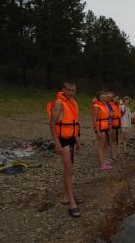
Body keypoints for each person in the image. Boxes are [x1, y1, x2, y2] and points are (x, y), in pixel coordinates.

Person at [48, 82, 81, 217]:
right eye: (68, 90)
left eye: (73, 90)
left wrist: (78, 141)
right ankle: (72, 203)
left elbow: (75, 122)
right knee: (69, 171)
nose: (71, 92)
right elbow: (52, 123)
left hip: (72, 138)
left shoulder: (73, 103)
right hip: (62, 139)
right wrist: (56, 143)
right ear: (63, 90)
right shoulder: (58, 103)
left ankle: (65, 196)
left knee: (68, 170)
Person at [92, 91, 111, 171]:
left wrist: (109, 126)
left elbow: (108, 117)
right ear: (99, 98)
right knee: (101, 146)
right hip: (100, 128)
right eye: (102, 97)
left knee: (105, 145)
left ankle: (104, 161)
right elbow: (94, 119)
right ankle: (102, 165)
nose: (104, 99)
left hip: (106, 127)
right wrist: (98, 131)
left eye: (105, 97)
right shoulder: (96, 106)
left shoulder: (105, 105)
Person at [109, 95, 122, 160]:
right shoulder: (110, 105)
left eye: (118, 99)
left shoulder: (119, 106)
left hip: (118, 124)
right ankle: (112, 155)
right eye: (116, 98)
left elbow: (121, 114)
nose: (117, 100)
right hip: (113, 124)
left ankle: (116, 153)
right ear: (113, 99)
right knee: (113, 140)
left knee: (117, 139)